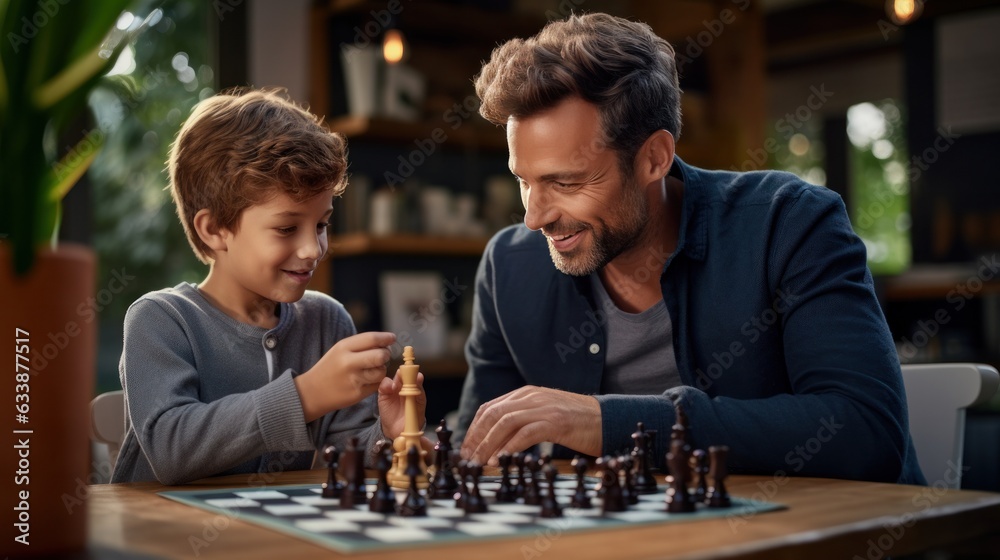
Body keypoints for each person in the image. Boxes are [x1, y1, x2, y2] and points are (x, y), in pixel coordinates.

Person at [455, 13, 925, 484]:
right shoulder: (509, 267)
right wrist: (409, 441)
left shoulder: (789, 224)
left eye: (567, 181)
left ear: (654, 158)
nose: (535, 217)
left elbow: (867, 434)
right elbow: (477, 451)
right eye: (525, 181)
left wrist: (607, 423)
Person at [112, 89, 423, 484]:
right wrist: (307, 394)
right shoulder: (161, 320)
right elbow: (171, 451)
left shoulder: (327, 320)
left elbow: (346, 453)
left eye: (322, 225)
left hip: (268, 538)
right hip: (162, 539)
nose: (313, 248)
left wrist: (388, 436)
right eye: (286, 228)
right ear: (214, 230)